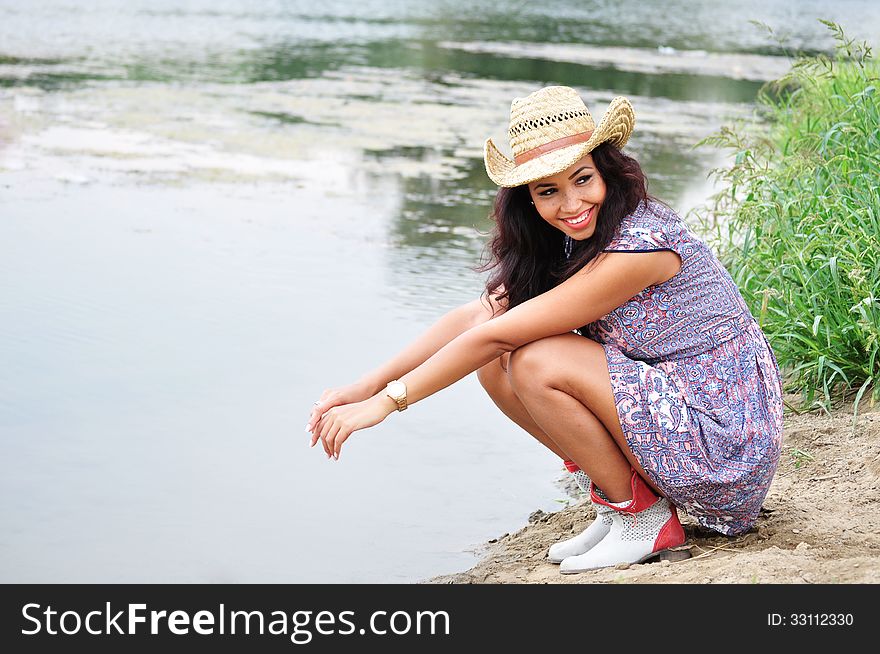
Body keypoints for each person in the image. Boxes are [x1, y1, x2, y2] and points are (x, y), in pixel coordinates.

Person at [306, 85, 784, 574]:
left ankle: (644, 520)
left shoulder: (640, 246)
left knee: (535, 359)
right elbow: (479, 318)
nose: (570, 203)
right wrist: (361, 387)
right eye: (548, 191)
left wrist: (385, 404)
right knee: (495, 361)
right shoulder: (577, 239)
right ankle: (617, 503)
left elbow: (497, 334)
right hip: (679, 413)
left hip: (723, 440)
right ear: (527, 199)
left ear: (607, 171)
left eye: (582, 180)